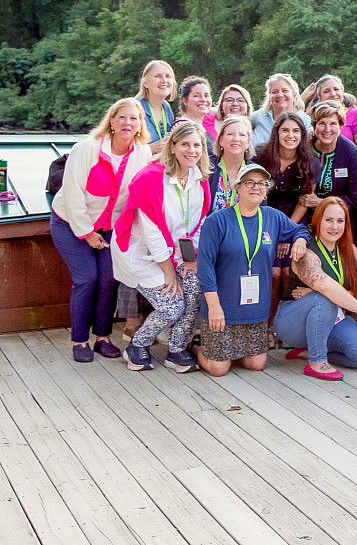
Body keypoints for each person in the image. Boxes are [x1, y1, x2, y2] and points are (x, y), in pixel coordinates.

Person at [51, 98, 151, 362]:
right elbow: (72, 194)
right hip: (70, 223)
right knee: (87, 279)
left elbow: (138, 196)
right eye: (122, 117)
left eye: (134, 118)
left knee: (109, 278)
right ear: (112, 122)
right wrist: (86, 233)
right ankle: (80, 340)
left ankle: (103, 338)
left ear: (140, 125)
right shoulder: (87, 149)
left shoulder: (142, 153)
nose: (128, 123)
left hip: (111, 228)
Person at [112, 120, 212, 372]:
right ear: (173, 146)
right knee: (172, 306)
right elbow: (151, 234)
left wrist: (190, 260)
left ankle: (176, 349)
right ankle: (137, 345)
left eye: (197, 145)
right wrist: (169, 272)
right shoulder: (150, 178)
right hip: (142, 253)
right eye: (185, 144)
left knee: (193, 288)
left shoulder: (199, 179)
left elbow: (199, 224)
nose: (192, 150)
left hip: (177, 254)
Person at [195, 164, 311, 376]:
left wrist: (300, 241)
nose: (255, 187)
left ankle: (231, 351)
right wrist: (214, 306)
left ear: (267, 189)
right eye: (249, 182)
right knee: (219, 369)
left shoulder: (272, 217)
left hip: (254, 310)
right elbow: (204, 266)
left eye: (261, 183)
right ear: (237, 187)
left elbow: (301, 230)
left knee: (255, 364)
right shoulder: (217, 221)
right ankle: (196, 347)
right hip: (222, 310)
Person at [275, 197, 357, 379]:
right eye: (328, 220)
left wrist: (317, 292)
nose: (334, 227)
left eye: (340, 221)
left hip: (334, 318)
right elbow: (323, 284)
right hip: (293, 320)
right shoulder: (305, 250)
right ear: (318, 220)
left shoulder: (350, 250)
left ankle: (306, 351)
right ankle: (317, 361)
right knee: (323, 297)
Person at [309, 101, 357, 236]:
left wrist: (321, 203)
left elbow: (355, 200)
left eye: (333, 124)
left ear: (341, 126)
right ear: (314, 126)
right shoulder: (305, 148)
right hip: (306, 220)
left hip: (340, 224)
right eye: (322, 123)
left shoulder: (351, 153)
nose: (327, 129)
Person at [254, 112, 316, 225]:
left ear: (302, 134)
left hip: (294, 220)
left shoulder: (310, 160)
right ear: (276, 133)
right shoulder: (260, 156)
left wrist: (288, 228)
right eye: (285, 130)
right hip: (262, 218)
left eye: (296, 131)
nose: (290, 135)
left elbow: (304, 201)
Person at [251, 73, 312, 147]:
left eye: (285, 91)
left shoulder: (303, 119)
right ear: (269, 97)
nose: (280, 95)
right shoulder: (260, 115)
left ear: (294, 94)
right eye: (274, 92)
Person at [208, 116, 254, 213]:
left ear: (248, 142)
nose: (236, 139)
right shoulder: (207, 168)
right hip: (212, 226)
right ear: (221, 140)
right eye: (230, 134)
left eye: (242, 135)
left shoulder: (255, 173)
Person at [308, 75, 357, 145]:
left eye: (336, 89)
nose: (333, 94)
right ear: (319, 97)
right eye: (326, 91)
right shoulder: (313, 115)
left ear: (343, 92)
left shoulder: (356, 114)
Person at [136, 60, 176, 153]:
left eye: (168, 76)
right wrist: (150, 148)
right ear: (145, 83)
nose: (164, 80)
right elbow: (120, 148)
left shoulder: (166, 108)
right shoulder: (135, 108)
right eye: (157, 76)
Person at [178, 76, 214, 148]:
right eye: (196, 96)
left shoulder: (202, 126)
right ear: (185, 101)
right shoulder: (183, 127)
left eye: (206, 95)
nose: (203, 99)